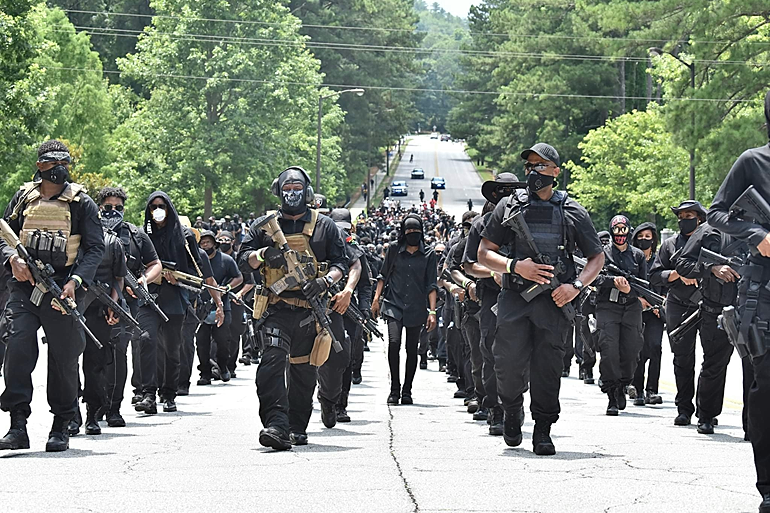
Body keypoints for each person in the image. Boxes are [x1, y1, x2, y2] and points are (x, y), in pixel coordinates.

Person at [478, 142, 604, 455]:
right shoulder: (508, 206)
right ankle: (511, 410)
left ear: (556, 172)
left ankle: (543, 429)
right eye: (530, 166)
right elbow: (484, 253)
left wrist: (574, 286)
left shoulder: (572, 210)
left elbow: (596, 258)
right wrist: (515, 265)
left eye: (541, 166)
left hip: (554, 302)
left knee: (547, 369)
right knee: (506, 365)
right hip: (515, 298)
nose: (534, 171)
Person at [0, 140, 105, 452]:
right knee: (17, 349)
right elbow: (4, 235)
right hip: (24, 286)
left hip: (62, 287)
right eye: (53, 162)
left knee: (63, 357)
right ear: (40, 165)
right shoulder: (23, 198)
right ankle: (18, 424)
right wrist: (12, 260)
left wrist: (75, 281)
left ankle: (62, 423)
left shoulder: (81, 202)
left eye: (64, 163)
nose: (60, 169)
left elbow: (96, 247)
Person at [239, 166, 347, 450]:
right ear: (278, 191)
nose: (292, 194)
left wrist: (324, 282)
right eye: (286, 189)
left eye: (297, 188)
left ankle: (297, 426)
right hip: (275, 308)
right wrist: (263, 254)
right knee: (271, 364)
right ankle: (276, 424)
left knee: (303, 371)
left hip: (309, 311)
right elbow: (243, 259)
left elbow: (341, 263)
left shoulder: (325, 226)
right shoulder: (264, 226)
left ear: (307, 191)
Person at [138, 192, 223, 415]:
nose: (157, 210)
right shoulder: (142, 235)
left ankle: (168, 393)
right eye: (153, 206)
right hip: (148, 298)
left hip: (175, 299)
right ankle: (148, 394)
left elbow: (198, 271)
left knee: (172, 349)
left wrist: (177, 277)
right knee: (147, 341)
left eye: (161, 206)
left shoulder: (184, 237)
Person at [676, 216, 744, 434]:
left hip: (753, 310)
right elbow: (683, 264)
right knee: (715, 365)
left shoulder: (760, 229)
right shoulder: (709, 229)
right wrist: (713, 268)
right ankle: (706, 414)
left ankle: (754, 424)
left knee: (756, 369)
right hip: (716, 310)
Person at [463, 172, 520, 435]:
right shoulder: (482, 224)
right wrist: (493, 271)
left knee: (520, 355)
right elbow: (469, 264)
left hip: (523, 298)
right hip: (491, 297)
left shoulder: (527, 221)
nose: (506, 196)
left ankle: (515, 404)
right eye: (502, 191)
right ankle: (495, 409)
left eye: (512, 191)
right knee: (490, 353)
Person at [650, 200, 707, 427]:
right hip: (678, 304)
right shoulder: (670, 245)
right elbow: (655, 275)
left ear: (700, 218)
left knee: (712, 359)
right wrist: (676, 274)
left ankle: (707, 411)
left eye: (689, 215)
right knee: (682, 359)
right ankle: (684, 408)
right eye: (681, 216)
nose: (684, 220)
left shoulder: (709, 241)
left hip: (707, 303)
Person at [372, 214, 438, 406]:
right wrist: (376, 299)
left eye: (416, 232)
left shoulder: (429, 254)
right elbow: (383, 275)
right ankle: (394, 388)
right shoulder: (393, 249)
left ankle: (407, 390)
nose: (412, 235)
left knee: (411, 349)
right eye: (408, 232)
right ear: (403, 232)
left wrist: (432, 312)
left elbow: (431, 284)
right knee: (393, 343)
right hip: (394, 304)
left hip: (416, 306)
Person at [79, 214, 128, 435]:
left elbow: (118, 278)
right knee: (65, 364)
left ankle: (92, 414)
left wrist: (113, 304)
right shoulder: (72, 238)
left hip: (99, 312)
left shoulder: (112, 243)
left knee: (95, 364)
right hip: (70, 307)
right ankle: (69, 414)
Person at [593, 215, 646, 416]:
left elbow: (643, 285)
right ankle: (612, 392)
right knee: (608, 349)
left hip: (631, 306)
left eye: (624, 231)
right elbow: (594, 278)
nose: (620, 235)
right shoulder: (601, 254)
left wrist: (628, 291)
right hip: (608, 306)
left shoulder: (638, 256)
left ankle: (624, 383)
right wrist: (612, 282)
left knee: (631, 349)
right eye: (616, 231)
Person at [195, 230, 242, 385]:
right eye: (202, 243)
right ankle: (205, 373)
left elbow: (239, 277)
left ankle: (223, 367)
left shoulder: (226, 260)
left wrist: (227, 288)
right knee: (201, 343)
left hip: (222, 306)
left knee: (222, 341)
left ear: (214, 244)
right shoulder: (197, 260)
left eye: (208, 242)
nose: (205, 245)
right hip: (201, 307)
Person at [630, 222, 665, 406]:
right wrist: (639, 300)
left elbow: (665, 282)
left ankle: (652, 390)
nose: (644, 240)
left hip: (656, 312)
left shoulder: (659, 259)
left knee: (655, 347)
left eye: (648, 237)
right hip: (635, 310)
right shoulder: (632, 258)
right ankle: (637, 388)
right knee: (638, 350)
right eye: (640, 237)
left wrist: (661, 303)